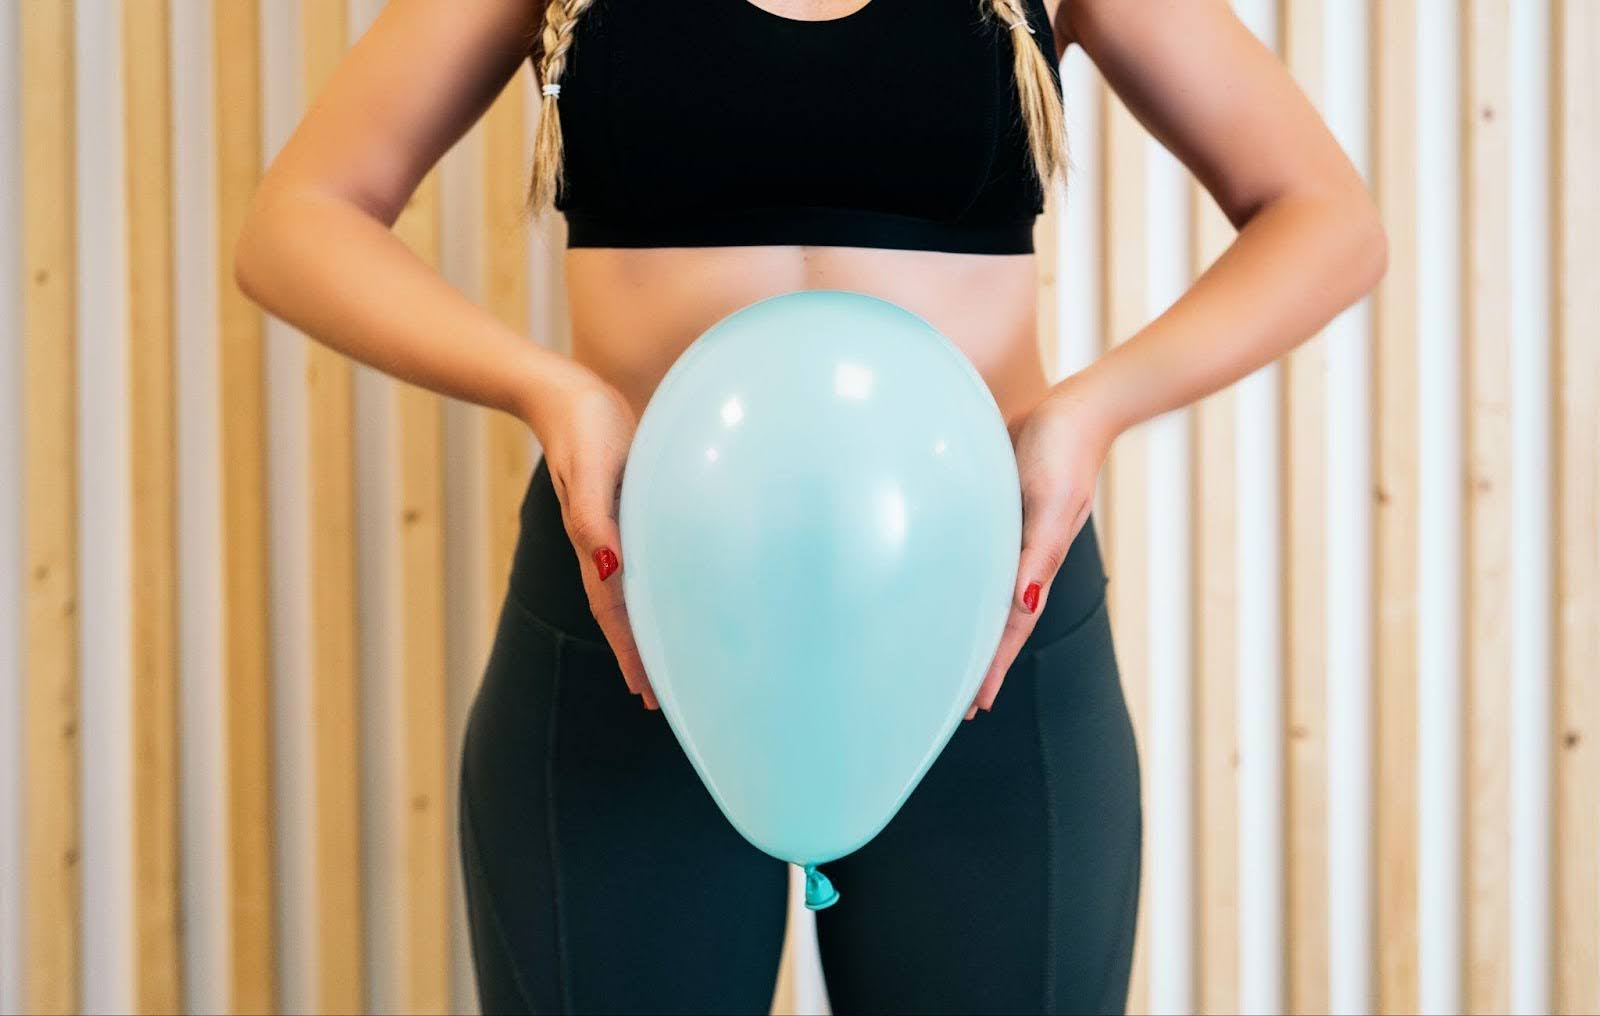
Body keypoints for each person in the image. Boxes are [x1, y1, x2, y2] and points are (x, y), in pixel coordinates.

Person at [232, 0, 1386, 1011]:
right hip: (633, 606)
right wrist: (549, 387)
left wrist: (1088, 412)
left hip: (985, 619)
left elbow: (1325, 215)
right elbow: (300, 218)